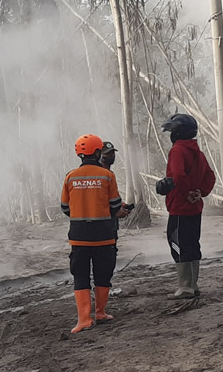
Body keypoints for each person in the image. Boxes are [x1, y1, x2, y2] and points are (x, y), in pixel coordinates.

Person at [61, 134, 128, 333]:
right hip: (104, 236)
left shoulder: (70, 176)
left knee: (80, 276)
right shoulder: (107, 176)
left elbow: (65, 207)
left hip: (79, 237)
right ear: (98, 152)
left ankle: (83, 319)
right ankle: (100, 312)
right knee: (103, 274)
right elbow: (115, 205)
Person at [156, 114, 216, 299]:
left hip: (180, 207)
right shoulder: (198, 152)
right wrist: (200, 192)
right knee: (192, 243)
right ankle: (193, 284)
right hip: (195, 209)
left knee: (177, 244)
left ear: (178, 132)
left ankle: (185, 287)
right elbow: (210, 176)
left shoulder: (178, 150)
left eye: (172, 130)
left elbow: (179, 176)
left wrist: (186, 193)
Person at [100, 141, 132, 243]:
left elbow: (109, 197)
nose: (111, 156)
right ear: (99, 155)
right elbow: (98, 200)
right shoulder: (99, 175)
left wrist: (121, 206)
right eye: (107, 153)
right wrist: (114, 211)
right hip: (102, 225)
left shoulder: (110, 174)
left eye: (112, 153)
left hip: (111, 225)